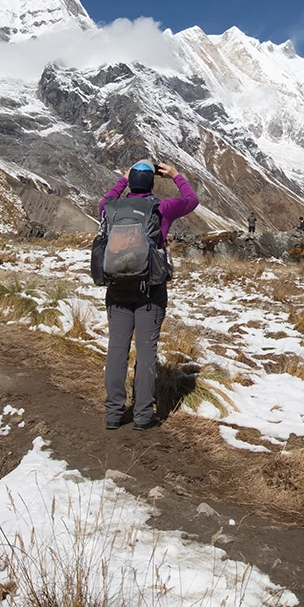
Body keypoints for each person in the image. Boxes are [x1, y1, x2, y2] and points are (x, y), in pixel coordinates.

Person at [97, 161, 199, 430]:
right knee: (146, 352)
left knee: (117, 350)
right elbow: (191, 199)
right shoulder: (161, 208)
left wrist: (122, 178)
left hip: (117, 289)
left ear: (131, 183)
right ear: (152, 184)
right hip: (151, 291)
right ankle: (143, 415)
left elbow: (105, 200)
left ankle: (113, 413)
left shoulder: (111, 208)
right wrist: (176, 175)